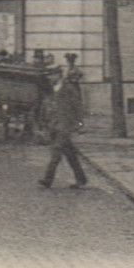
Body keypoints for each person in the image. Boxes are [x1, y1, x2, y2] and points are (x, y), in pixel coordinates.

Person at [38, 58, 88, 189]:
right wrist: (44, 122)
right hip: (53, 125)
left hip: (65, 126)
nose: (49, 78)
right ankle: (81, 179)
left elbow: (78, 107)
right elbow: (45, 106)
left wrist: (80, 124)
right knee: (70, 153)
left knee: (56, 152)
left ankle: (47, 179)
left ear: (58, 75)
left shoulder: (69, 89)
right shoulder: (50, 90)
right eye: (48, 76)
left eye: (51, 75)